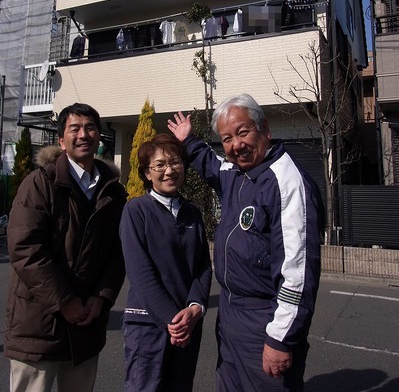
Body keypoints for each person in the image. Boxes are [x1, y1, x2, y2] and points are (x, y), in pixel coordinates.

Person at [168, 94, 324, 392]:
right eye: (227, 138)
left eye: (242, 132)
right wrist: (188, 140)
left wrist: (280, 338)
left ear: (264, 128)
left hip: (264, 319)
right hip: (229, 314)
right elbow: (210, 163)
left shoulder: (286, 181)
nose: (236, 145)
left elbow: (298, 273)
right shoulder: (235, 171)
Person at [5, 103, 127, 392]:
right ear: (61, 140)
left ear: (99, 138)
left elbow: (118, 252)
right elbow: (25, 248)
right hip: (38, 324)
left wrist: (101, 296)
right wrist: (65, 301)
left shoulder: (113, 190)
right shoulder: (39, 183)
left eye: (90, 128)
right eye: (75, 128)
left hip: (87, 323)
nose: (83, 134)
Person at [120, 133, 212, 392]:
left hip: (187, 323)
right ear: (147, 174)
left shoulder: (192, 212)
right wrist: (174, 323)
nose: (169, 170)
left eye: (175, 163)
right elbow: (141, 274)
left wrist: (196, 308)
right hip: (149, 326)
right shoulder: (136, 211)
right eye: (159, 165)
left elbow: (203, 265)